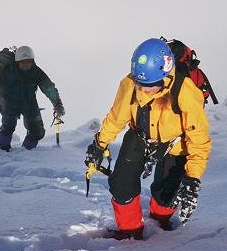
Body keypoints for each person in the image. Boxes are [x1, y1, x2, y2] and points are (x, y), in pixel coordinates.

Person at [84, 38, 212, 240]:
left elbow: (199, 140)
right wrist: (99, 145)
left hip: (176, 145)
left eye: (150, 86)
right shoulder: (129, 84)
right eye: (140, 84)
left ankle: (160, 221)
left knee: (167, 195)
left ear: (166, 75)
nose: (143, 90)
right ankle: (130, 232)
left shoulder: (186, 92)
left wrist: (192, 178)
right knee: (121, 185)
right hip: (140, 136)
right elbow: (117, 118)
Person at [0, 45, 65, 151]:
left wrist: (57, 103)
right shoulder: (8, 73)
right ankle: (4, 151)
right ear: (18, 62)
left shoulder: (36, 72)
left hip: (29, 102)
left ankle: (26, 152)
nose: (26, 64)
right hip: (9, 102)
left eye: (29, 62)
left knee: (37, 131)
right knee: (8, 128)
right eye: (23, 62)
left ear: (32, 61)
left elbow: (49, 88)